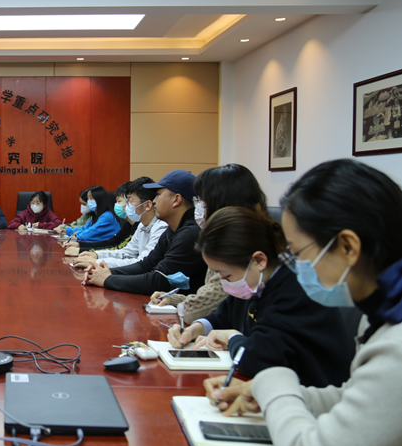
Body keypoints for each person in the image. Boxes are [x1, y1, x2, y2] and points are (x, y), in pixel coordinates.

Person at [206, 159, 402, 446]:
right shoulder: (380, 314)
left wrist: (272, 381)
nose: (296, 267)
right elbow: (359, 399)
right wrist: (272, 394)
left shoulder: (396, 345)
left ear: (348, 247)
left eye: (298, 253)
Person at [167, 206, 353, 388]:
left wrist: (232, 338)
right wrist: (195, 330)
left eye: (227, 275)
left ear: (259, 261)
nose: (224, 283)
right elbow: (223, 317)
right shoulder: (254, 283)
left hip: (311, 393)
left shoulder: (297, 289)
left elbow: (255, 358)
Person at [148, 163, 268, 324]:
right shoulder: (223, 236)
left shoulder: (235, 244)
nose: (197, 208)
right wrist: (174, 300)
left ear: (220, 203)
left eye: (202, 201)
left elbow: (198, 310)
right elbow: (216, 304)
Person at [83, 170, 205, 295]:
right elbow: (144, 266)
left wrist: (108, 279)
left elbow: (159, 280)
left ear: (176, 199)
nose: (154, 201)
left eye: (158, 195)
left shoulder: (190, 234)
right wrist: (102, 272)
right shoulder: (172, 230)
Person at [73, 177, 166, 270]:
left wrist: (96, 262)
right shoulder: (142, 225)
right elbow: (126, 252)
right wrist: (96, 255)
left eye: (131, 201)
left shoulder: (161, 228)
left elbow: (142, 263)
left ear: (148, 205)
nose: (127, 206)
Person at [63, 182, 135, 255]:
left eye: (119, 201)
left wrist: (83, 250)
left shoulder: (108, 216)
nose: (116, 204)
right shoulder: (128, 224)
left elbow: (118, 248)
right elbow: (113, 242)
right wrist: (79, 245)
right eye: (88, 198)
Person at [53, 185, 119, 243]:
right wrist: (68, 231)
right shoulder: (97, 216)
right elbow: (86, 228)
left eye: (91, 198)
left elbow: (90, 233)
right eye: (88, 198)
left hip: (107, 247)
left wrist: (77, 234)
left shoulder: (107, 216)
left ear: (100, 199)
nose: (88, 201)